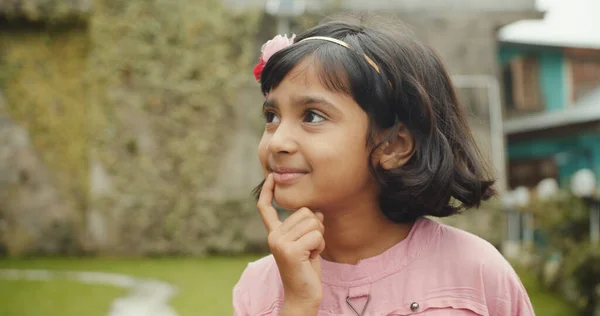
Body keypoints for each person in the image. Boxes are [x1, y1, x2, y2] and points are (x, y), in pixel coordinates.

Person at [233, 15, 535, 316]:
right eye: (271, 116)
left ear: (393, 145)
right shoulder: (259, 290)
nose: (276, 142)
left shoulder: (477, 274)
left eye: (312, 116)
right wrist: (298, 304)